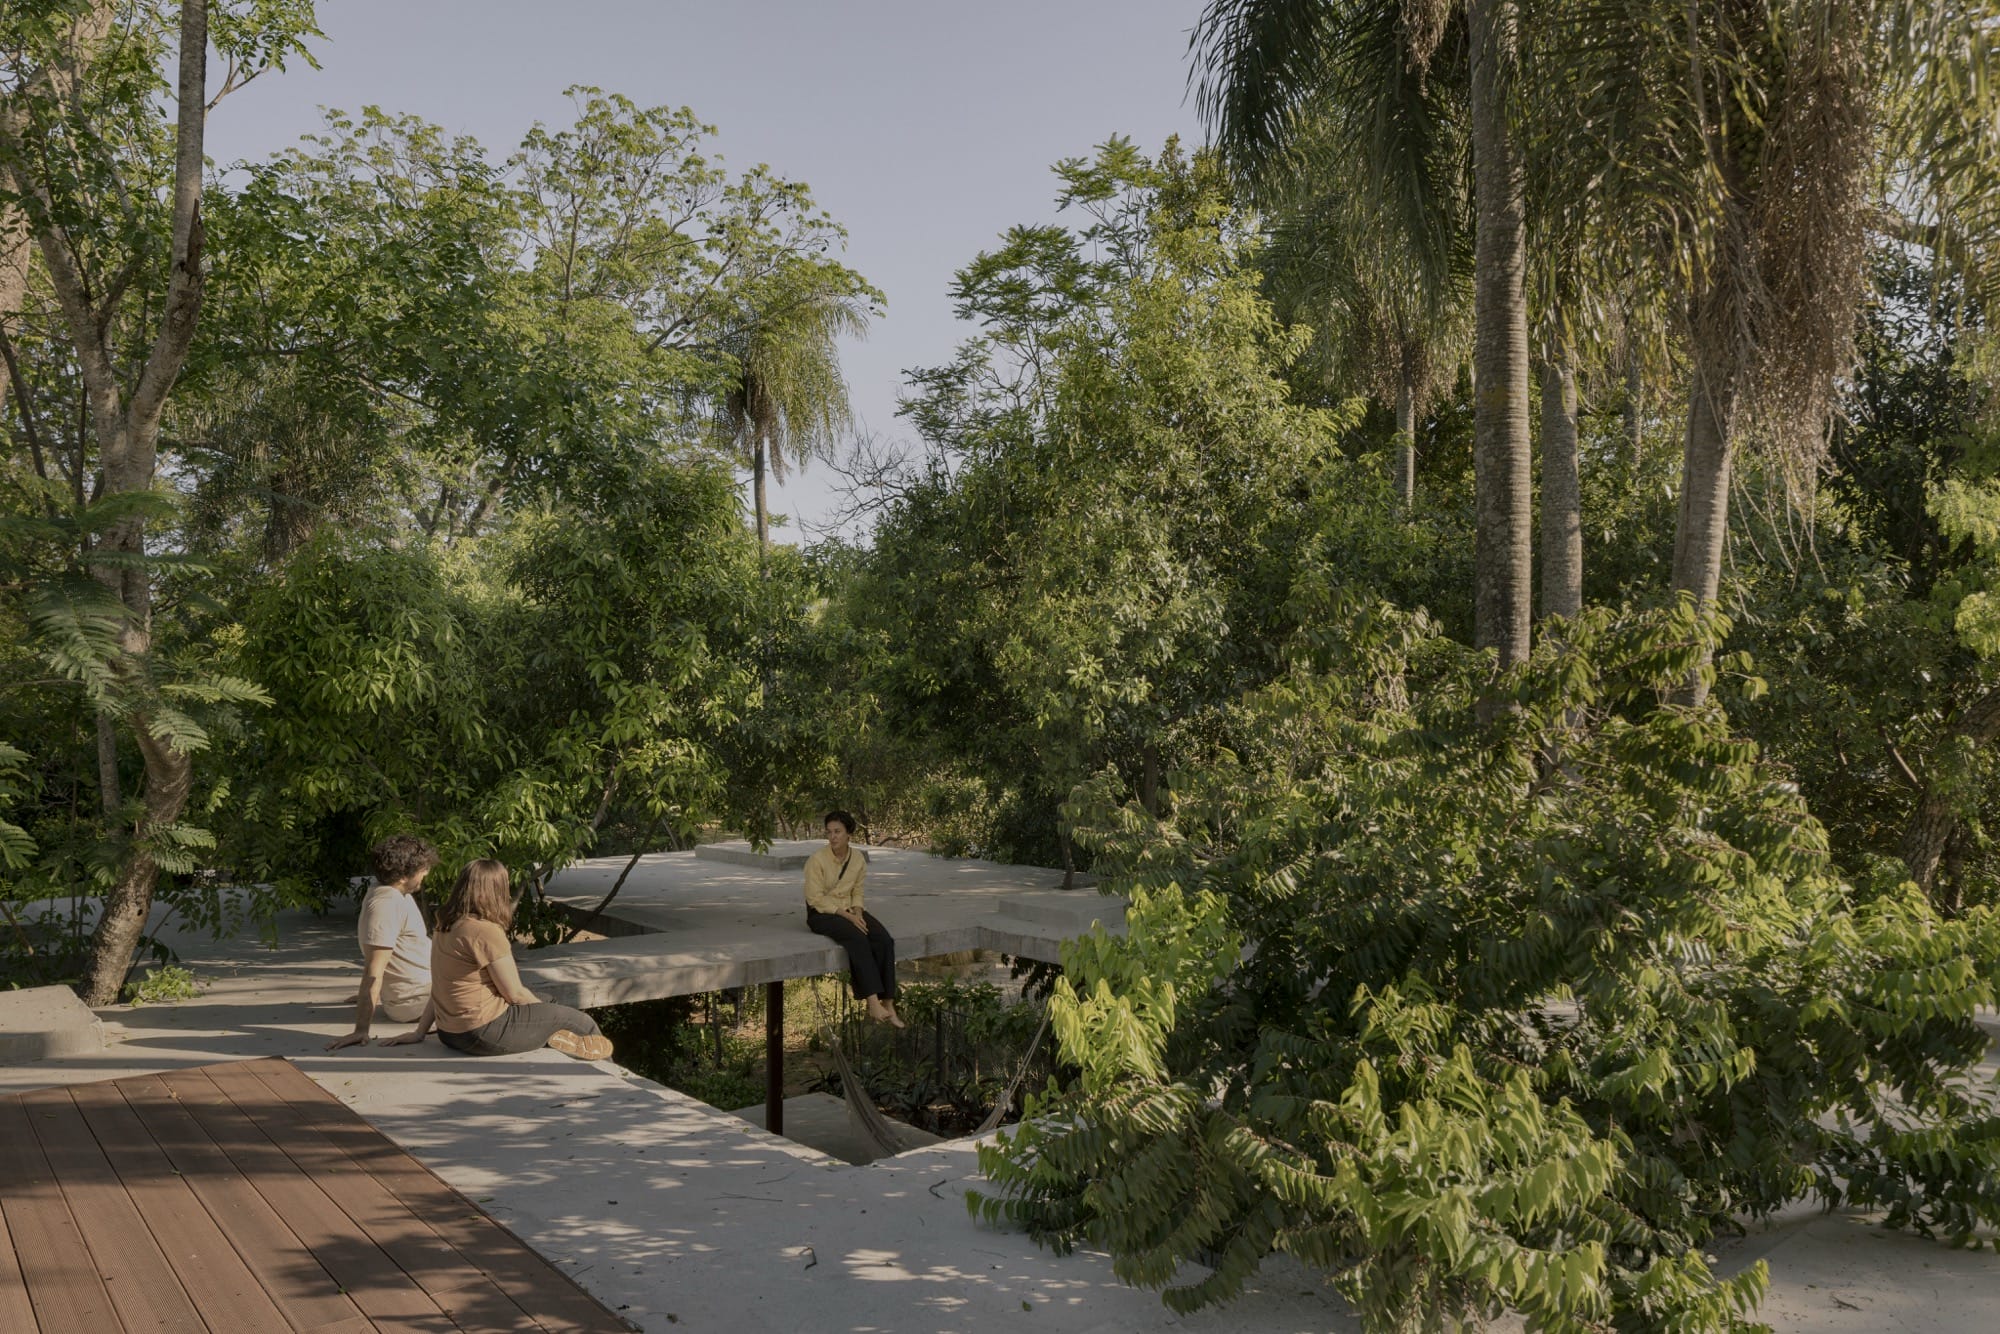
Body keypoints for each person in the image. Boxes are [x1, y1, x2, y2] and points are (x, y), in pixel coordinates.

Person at [415, 858, 613, 1060]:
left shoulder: (445, 926)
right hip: (481, 1032)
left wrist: (419, 1032)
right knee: (582, 1023)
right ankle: (611, 1077)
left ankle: (550, 1036)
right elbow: (515, 995)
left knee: (551, 1002)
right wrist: (548, 1012)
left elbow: (439, 986)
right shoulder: (484, 931)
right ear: (492, 891)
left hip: (449, 1034)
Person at [327, 834, 439, 1052]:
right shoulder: (386, 904)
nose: (426, 874)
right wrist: (361, 1029)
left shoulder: (395, 895)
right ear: (405, 873)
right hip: (415, 1001)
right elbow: (374, 970)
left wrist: (368, 997)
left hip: (421, 991)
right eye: (423, 869)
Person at [805, 810, 904, 1027]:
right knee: (857, 938)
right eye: (829, 832)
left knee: (884, 940)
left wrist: (858, 912)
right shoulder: (817, 860)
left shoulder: (857, 858)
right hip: (823, 913)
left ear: (849, 833)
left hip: (850, 908)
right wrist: (847, 916)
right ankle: (872, 1002)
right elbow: (814, 898)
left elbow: (858, 890)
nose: (833, 837)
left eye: (838, 832)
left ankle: (888, 1002)